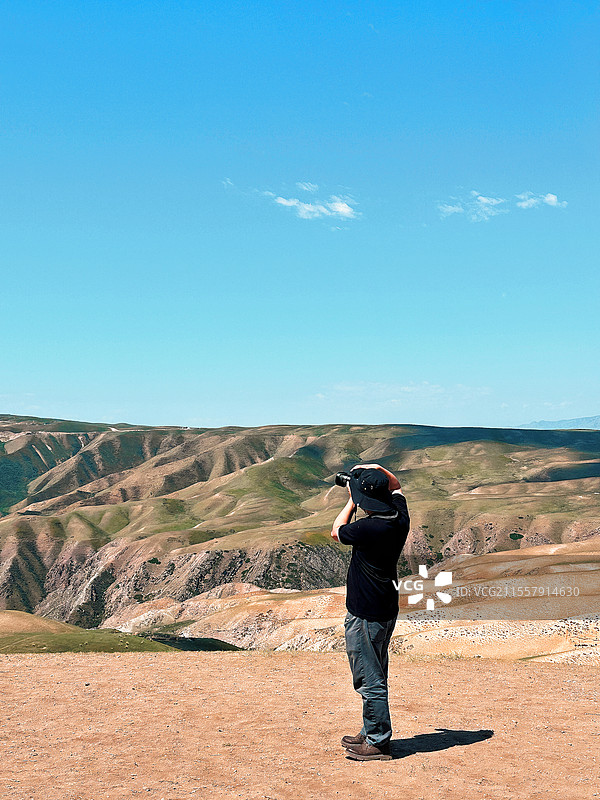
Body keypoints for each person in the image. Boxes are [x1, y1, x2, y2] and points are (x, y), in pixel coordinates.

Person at [330, 463, 410, 761]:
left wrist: (352, 499)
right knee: (377, 671)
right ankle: (371, 729)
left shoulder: (368, 527)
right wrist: (376, 470)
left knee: (368, 677)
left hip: (366, 613)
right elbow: (397, 487)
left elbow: (336, 531)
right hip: (386, 606)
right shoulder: (399, 517)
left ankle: (377, 742)